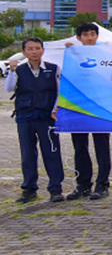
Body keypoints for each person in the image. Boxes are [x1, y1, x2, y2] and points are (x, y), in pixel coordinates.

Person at [6, 37, 65, 203]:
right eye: (30, 49)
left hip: (47, 118)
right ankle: (29, 189)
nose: (34, 52)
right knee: (27, 154)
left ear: (43, 50)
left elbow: (60, 92)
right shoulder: (19, 70)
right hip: (25, 117)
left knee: (51, 152)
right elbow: (9, 88)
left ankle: (55, 189)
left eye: (37, 48)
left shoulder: (53, 69)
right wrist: (11, 70)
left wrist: (55, 109)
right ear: (24, 52)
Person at [62, 22, 111, 200]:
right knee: (80, 147)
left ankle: (102, 184)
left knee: (102, 147)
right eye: (85, 35)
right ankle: (83, 185)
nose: (89, 37)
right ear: (78, 38)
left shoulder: (106, 55)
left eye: (92, 34)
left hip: (101, 109)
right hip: (78, 109)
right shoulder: (72, 55)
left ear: (97, 36)